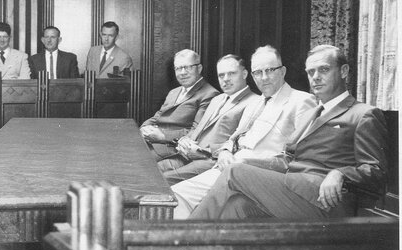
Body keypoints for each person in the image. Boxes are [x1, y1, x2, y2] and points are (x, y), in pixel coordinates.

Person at [189, 45, 388, 220]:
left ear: (343, 71)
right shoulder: (312, 113)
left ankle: (184, 240)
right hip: (293, 188)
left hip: (325, 199)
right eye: (311, 72)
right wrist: (246, 161)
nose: (316, 77)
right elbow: (287, 158)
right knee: (236, 206)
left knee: (234, 172)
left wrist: (340, 174)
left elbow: (376, 171)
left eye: (324, 70)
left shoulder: (363, 114)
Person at [171, 45, 316, 218]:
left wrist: (246, 162)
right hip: (228, 166)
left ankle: (191, 233)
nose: (264, 77)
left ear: (282, 71)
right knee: (176, 195)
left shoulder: (301, 101)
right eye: (258, 72)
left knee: (185, 201)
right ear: (252, 75)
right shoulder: (255, 103)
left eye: (270, 70)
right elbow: (233, 138)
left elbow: (296, 159)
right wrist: (224, 151)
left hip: (259, 174)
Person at [157, 54, 258, 184]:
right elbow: (199, 129)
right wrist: (185, 140)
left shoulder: (254, 102)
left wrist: (203, 152)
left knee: (161, 181)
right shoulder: (217, 99)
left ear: (244, 74)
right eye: (221, 75)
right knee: (149, 170)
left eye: (231, 74)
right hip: (187, 154)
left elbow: (240, 144)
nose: (226, 79)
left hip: (210, 160)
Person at [140, 49, 219, 160]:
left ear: (199, 68)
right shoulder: (174, 92)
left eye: (187, 67)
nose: (182, 72)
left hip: (173, 148)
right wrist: (144, 128)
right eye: (178, 68)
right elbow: (157, 117)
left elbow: (197, 131)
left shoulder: (210, 94)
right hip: (151, 142)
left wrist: (163, 136)